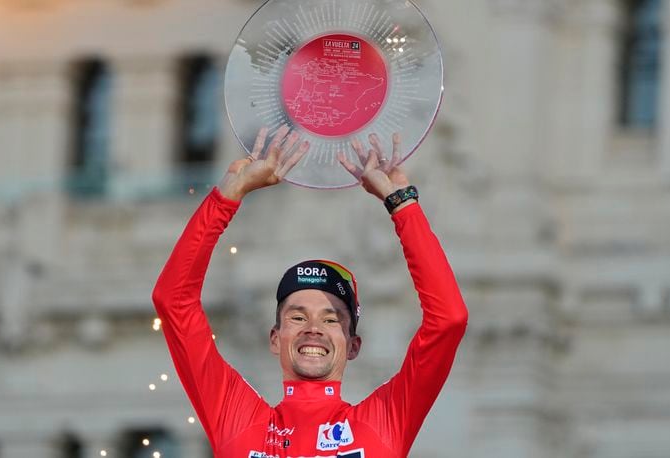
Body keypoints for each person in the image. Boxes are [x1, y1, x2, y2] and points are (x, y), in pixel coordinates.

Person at [152, 126, 468, 457]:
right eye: (298, 316)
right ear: (275, 338)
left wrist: (403, 205)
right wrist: (228, 196)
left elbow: (448, 320)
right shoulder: (237, 417)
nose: (313, 329)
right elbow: (173, 301)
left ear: (354, 345)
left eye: (331, 320)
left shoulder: (384, 420)